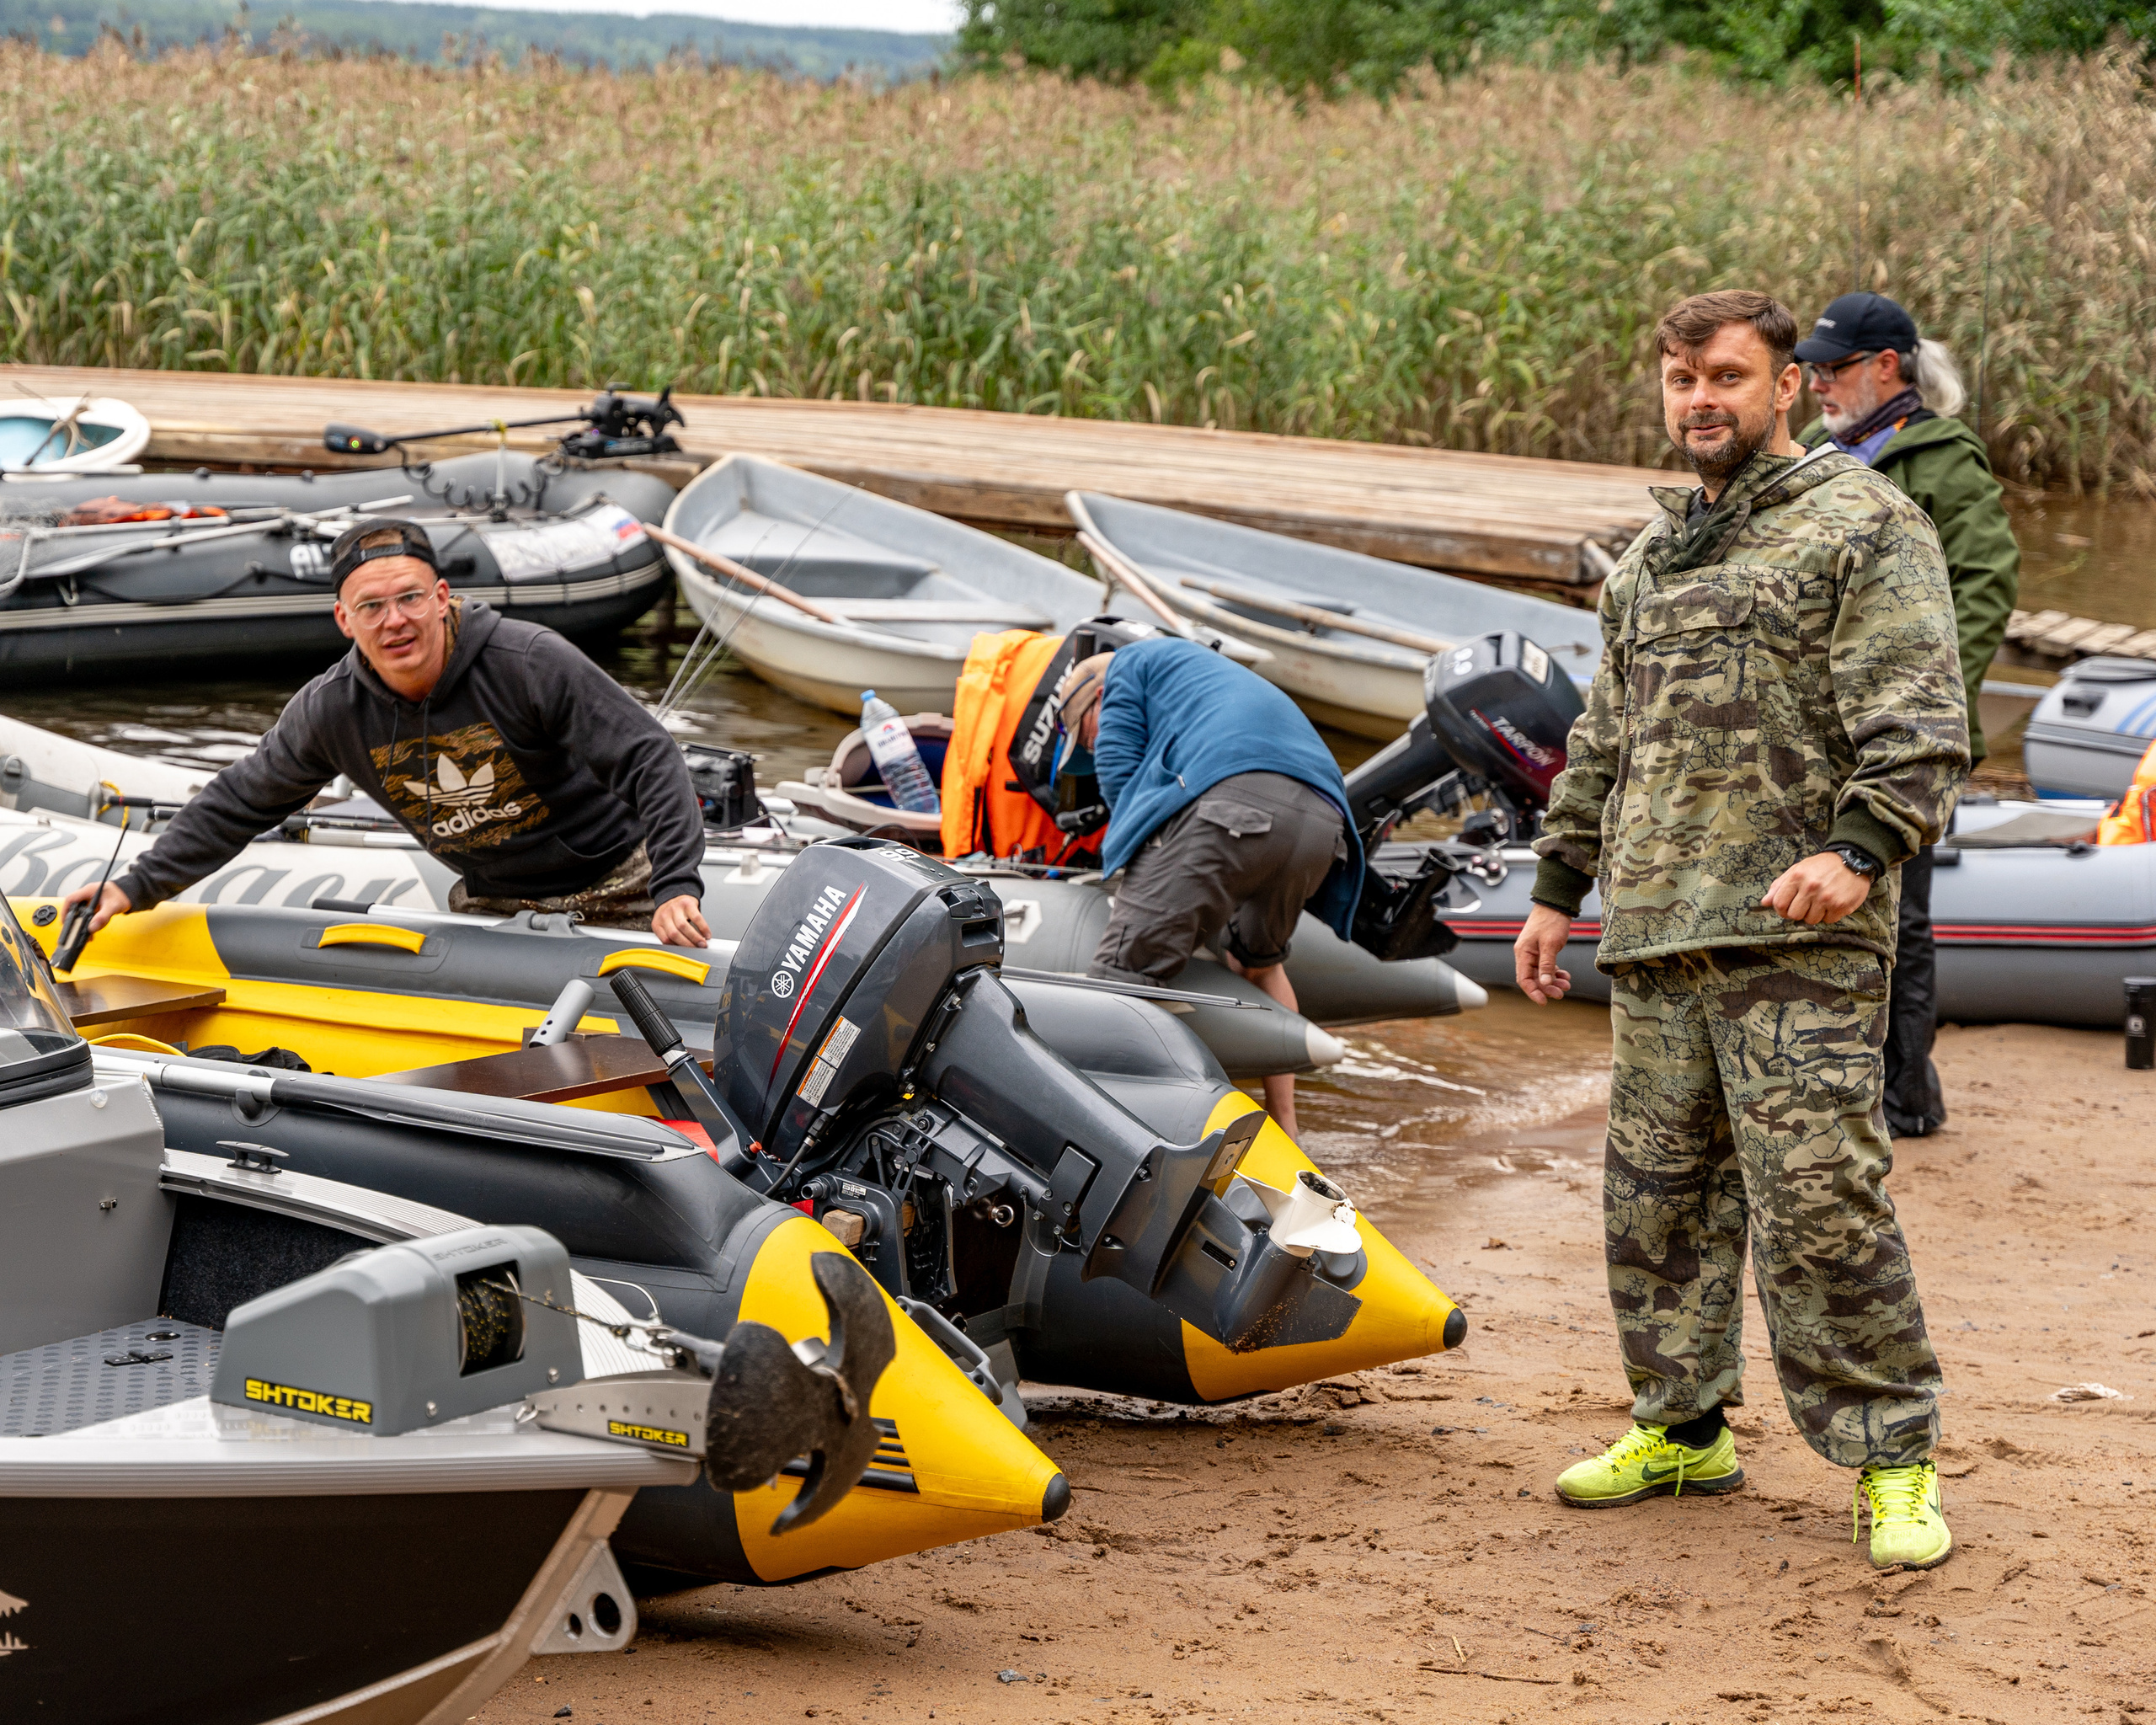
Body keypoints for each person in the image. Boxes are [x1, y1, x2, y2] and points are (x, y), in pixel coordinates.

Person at [1513, 291, 1969, 1571]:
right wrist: (1558, 887)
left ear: (1785, 388)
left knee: (1822, 1203)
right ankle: (1682, 1427)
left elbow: (1923, 722)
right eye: (1678, 379)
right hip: (1658, 927)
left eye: (1725, 375)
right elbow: (1606, 739)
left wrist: (1859, 850)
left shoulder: (1865, 524)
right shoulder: (1652, 560)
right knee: (1656, 1202)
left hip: (1800, 935)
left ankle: (1895, 1458)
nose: (1698, 399)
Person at [65, 518, 712, 946]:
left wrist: (677, 886)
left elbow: (651, 758)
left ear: (442, 597)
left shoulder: (528, 661)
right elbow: (238, 803)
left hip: (621, 886)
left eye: (408, 598)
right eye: (371, 607)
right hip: (496, 907)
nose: (394, 621)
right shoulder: (331, 711)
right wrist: (134, 885)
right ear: (345, 620)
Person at [1796, 291, 2020, 1137]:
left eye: (1833, 368)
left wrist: (1923, 705)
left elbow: (1987, 582)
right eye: (1809, 370)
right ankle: (1838, 1087)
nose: (1817, 384)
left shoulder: (1941, 459)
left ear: (1885, 366)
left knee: (1901, 917)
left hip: (1903, 737)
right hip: (1818, 734)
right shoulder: (1822, 450)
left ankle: (1907, 1098)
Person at [1054, 635, 1361, 1138]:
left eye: (1083, 734)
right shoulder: (1206, 676)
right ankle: (1286, 1125)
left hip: (1236, 804)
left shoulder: (1127, 665)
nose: (1089, 745)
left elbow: (1116, 770)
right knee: (1259, 963)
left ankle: (1115, 1132)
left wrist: (1134, 876)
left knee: (1120, 976)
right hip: (1324, 824)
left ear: (1095, 699)